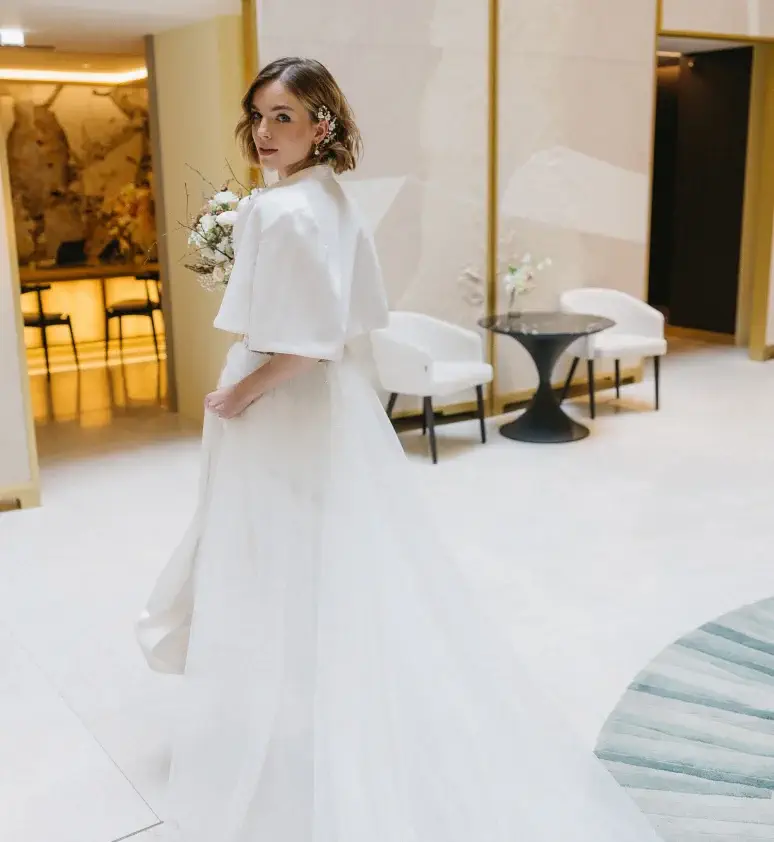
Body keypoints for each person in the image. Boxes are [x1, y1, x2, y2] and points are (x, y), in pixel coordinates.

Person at [137, 57, 661, 842]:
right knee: (330, 555)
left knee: (267, 557)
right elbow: (350, 325)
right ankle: (335, 715)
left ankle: (276, 729)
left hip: (282, 403)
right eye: (257, 116)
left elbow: (303, 345)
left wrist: (235, 395)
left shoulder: (279, 213)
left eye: (284, 117)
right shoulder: (331, 199)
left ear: (323, 125)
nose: (264, 132)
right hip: (331, 407)